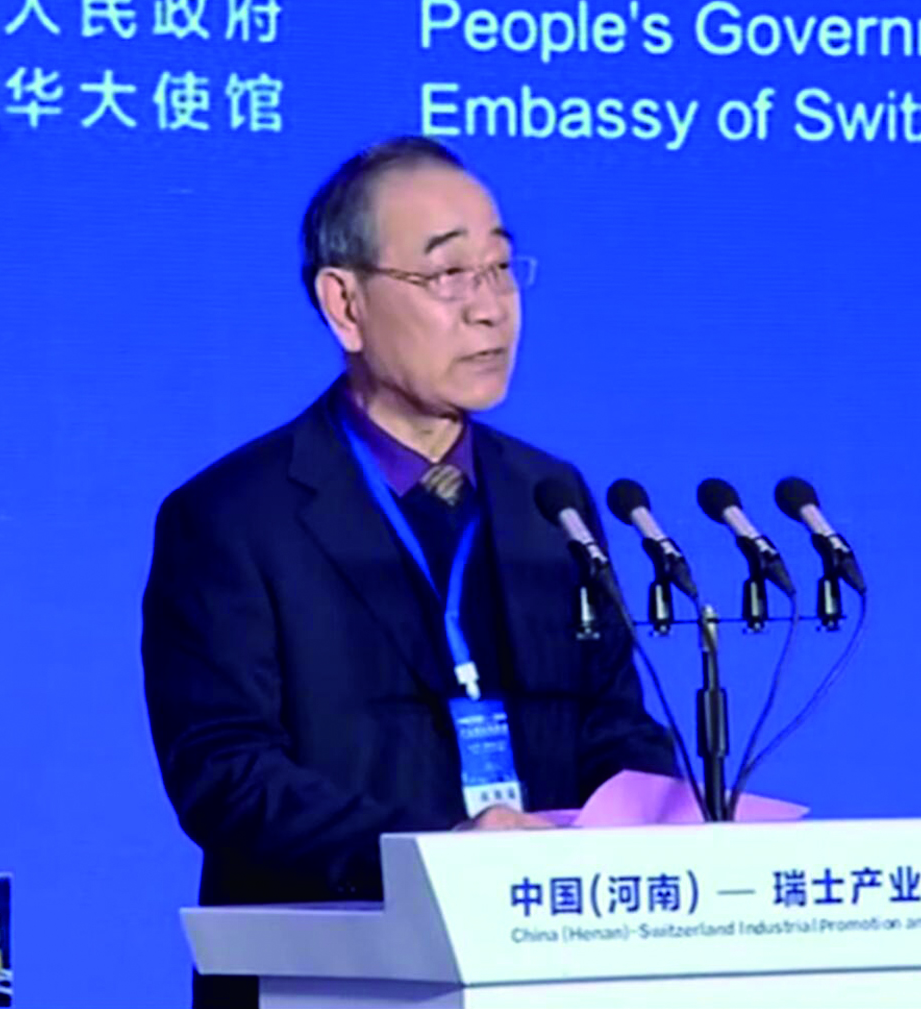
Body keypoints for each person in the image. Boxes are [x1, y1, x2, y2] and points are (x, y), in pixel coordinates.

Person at [141, 136, 677, 1008]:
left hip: (543, 967)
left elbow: (614, 724)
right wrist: (435, 855)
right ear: (344, 303)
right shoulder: (232, 515)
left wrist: (658, 823)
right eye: (448, 275)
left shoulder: (549, 496)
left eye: (500, 268)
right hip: (328, 974)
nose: (490, 309)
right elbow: (227, 776)